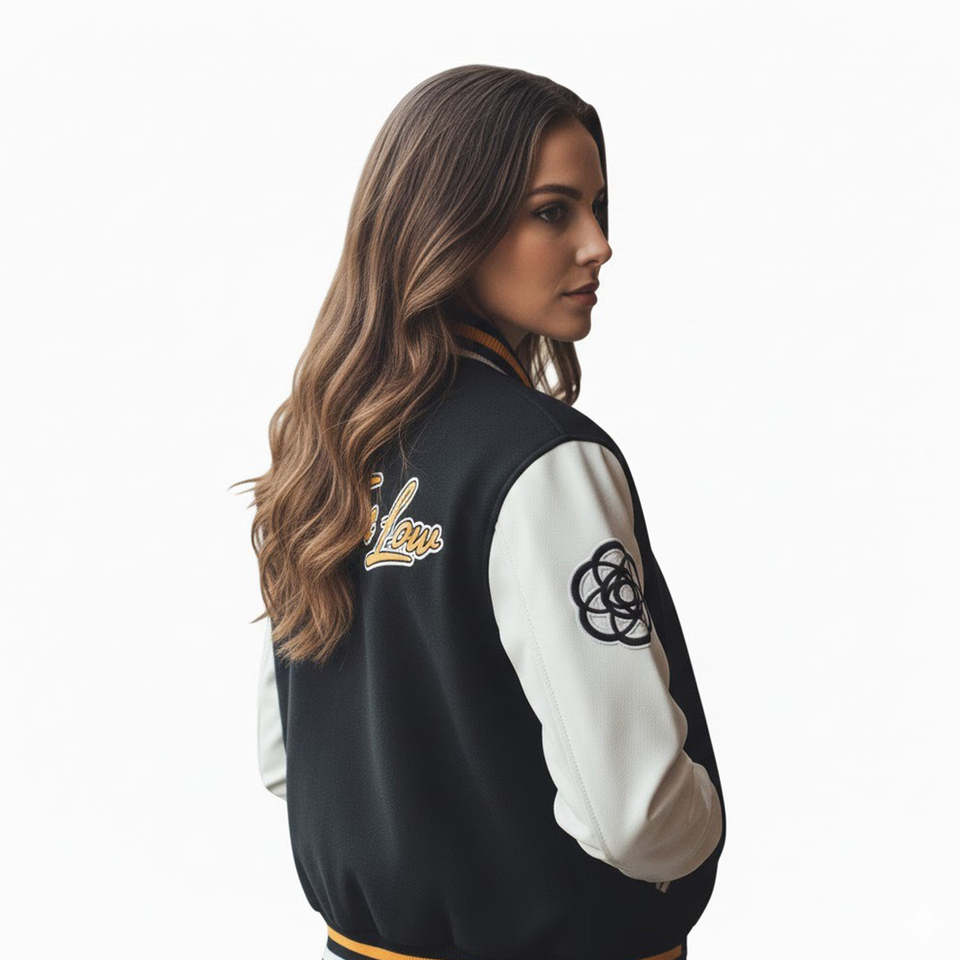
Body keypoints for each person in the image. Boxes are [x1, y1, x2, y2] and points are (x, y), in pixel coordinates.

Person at [241, 64, 726, 960]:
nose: (599, 244)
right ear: (449, 222)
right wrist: (696, 829)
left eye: (597, 207)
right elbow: (637, 816)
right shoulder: (542, 461)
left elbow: (289, 760)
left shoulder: (324, 447)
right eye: (552, 211)